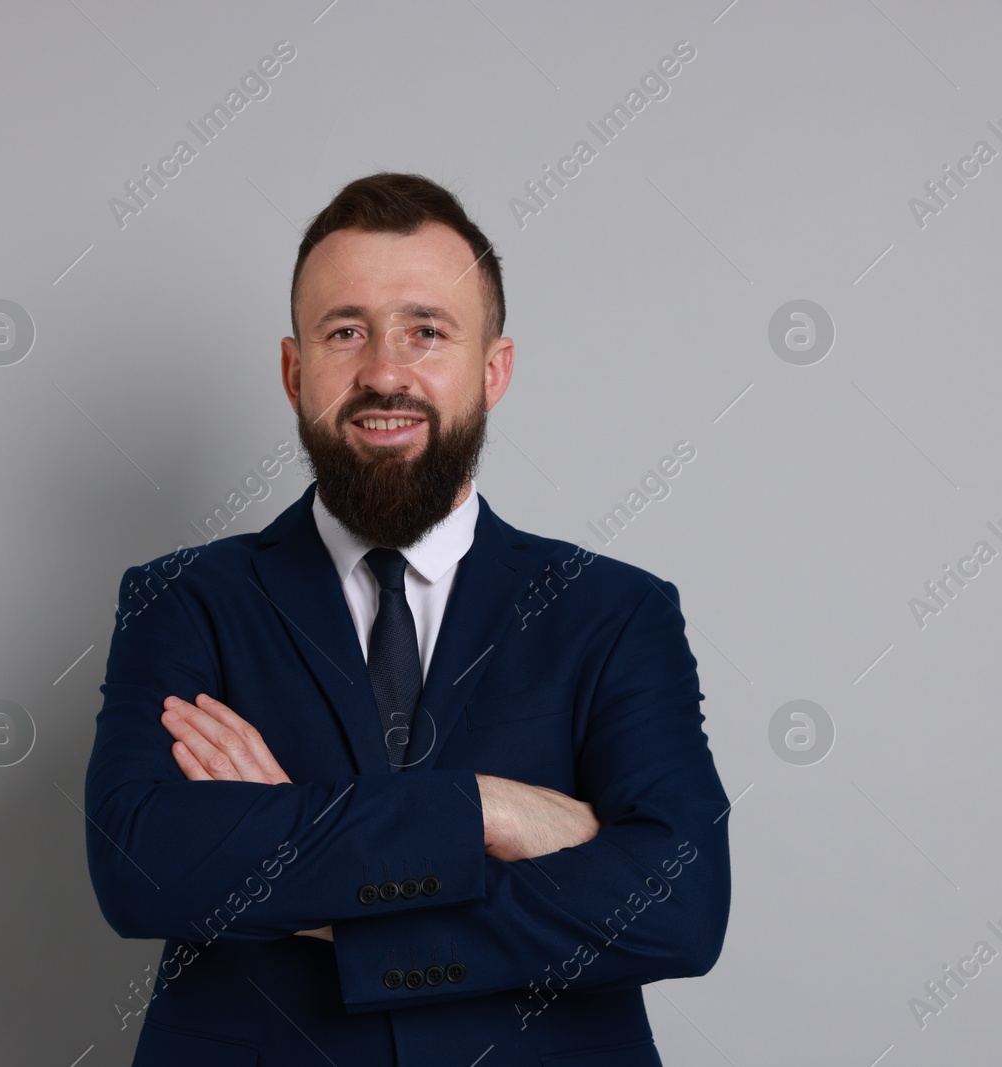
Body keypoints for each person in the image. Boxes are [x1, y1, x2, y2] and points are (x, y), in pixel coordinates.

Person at [84, 172, 730, 1066]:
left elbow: (679, 906)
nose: (385, 372)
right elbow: (144, 866)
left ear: (493, 368)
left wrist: (307, 869)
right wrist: (483, 808)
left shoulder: (615, 612)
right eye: (345, 331)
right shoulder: (184, 600)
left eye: (427, 331)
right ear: (293, 368)